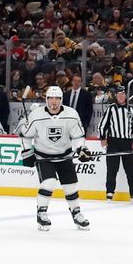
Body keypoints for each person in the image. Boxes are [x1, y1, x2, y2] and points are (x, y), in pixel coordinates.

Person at [20, 86, 91, 231]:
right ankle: (42, 213)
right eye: (51, 98)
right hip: (43, 156)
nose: (54, 101)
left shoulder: (71, 114)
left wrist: (82, 149)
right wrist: (27, 152)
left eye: (57, 98)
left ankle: (76, 213)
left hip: (64, 156)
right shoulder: (36, 115)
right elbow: (26, 137)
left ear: (61, 100)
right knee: (49, 183)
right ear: (46, 99)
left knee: (71, 186)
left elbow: (78, 137)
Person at [97, 86, 133, 202]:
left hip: (127, 142)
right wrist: (103, 138)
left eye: (123, 94)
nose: (121, 96)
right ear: (116, 96)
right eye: (119, 94)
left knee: (131, 169)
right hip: (113, 142)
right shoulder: (111, 109)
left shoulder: (131, 109)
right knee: (112, 169)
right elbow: (103, 124)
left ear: (126, 95)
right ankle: (110, 192)